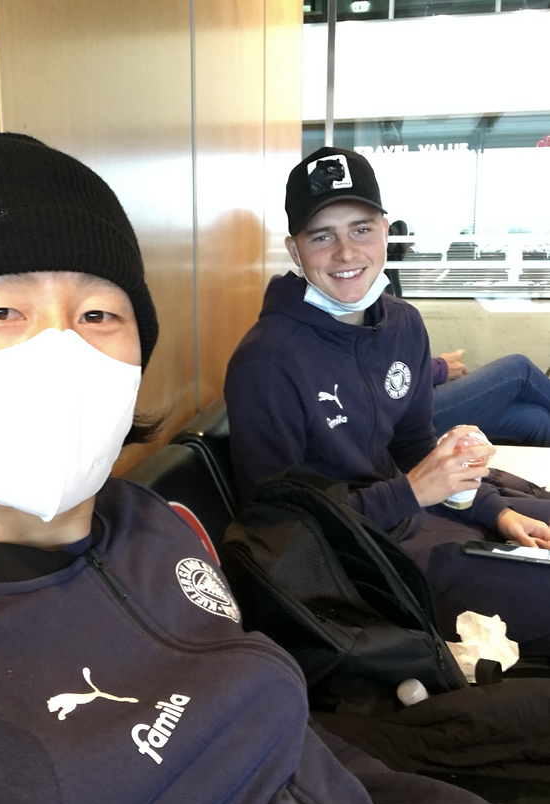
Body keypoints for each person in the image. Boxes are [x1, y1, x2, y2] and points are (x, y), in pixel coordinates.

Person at [0, 132, 534, 804]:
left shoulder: (152, 527)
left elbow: (301, 750)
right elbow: (286, 523)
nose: (59, 352)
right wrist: (412, 494)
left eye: (98, 315)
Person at [225, 145, 550, 656]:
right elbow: (280, 529)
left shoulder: (403, 324)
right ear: (295, 250)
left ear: (385, 230)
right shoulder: (266, 363)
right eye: (322, 236)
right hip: (363, 560)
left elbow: (414, 443)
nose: (346, 253)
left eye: (361, 229)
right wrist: (412, 492)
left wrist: (494, 512)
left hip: (421, 511)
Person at [432, 350, 550, 446]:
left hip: (427, 391)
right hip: (424, 410)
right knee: (520, 369)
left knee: (537, 419)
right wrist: (440, 368)